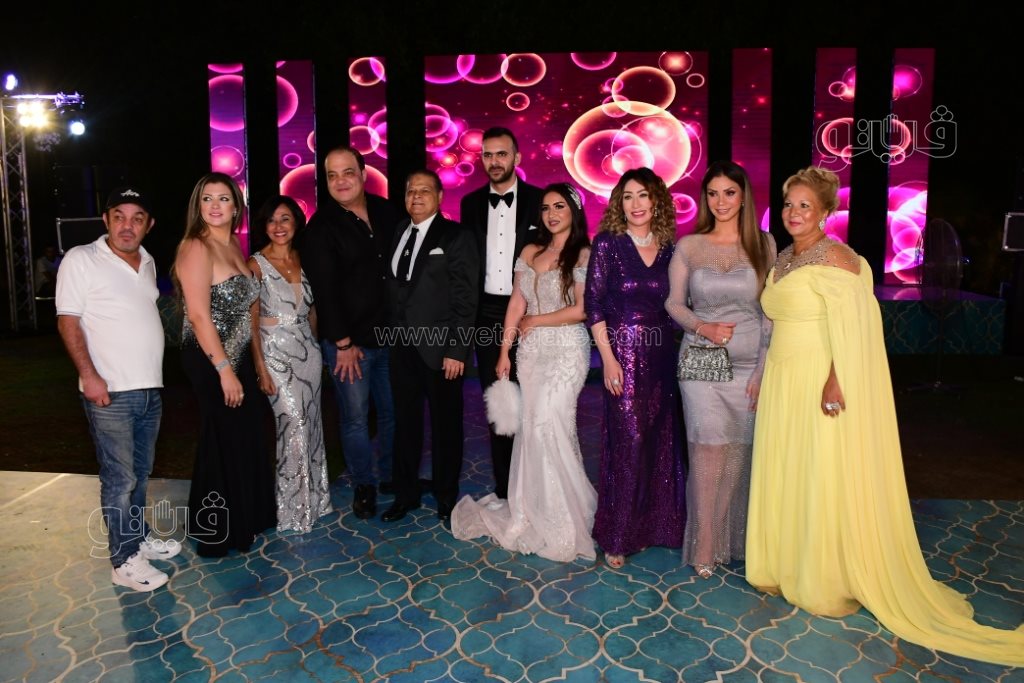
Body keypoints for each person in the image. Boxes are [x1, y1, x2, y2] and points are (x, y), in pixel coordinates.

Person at [746, 167, 1024, 666]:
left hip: (817, 378)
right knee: (791, 466)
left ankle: (824, 575)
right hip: (784, 380)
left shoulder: (838, 257)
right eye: (788, 204)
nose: (793, 213)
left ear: (825, 212)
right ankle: (785, 561)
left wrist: (837, 379)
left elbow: (856, 328)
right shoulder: (784, 258)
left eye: (805, 205)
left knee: (821, 469)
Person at [452, 183, 596, 562]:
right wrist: (504, 350)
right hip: (529, 354)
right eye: (546, 208)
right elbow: (516, 303)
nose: (552, 214)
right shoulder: (530, 251)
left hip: (566, 350)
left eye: (559, 206)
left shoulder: (583, 253)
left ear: (573, 211)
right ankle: (533, 508)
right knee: (532, 427)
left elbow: (581, 309)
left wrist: (537, 321)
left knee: (552, 423)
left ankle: (565, 515)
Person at [56, 186, 181, 592]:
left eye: (137, 218)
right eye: (119, 216)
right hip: (110, 392)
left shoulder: (147, 261)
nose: (128, 225)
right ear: (106, 219)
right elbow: (68, 321)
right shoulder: (82, 259)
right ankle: (123, 559)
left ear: (149, 225)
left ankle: (137, 538)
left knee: (140, 475)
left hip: (149, 389)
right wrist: (89, 376)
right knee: (119, 479)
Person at [665, 161, 775, 578]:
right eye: (713, 193)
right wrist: (702, 326)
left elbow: (771, 312)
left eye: (729, 192)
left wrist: (763, 370)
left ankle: (732, 540)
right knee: (707, 451)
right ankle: (705, 546)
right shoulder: (691, 245)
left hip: (749, 365)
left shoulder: (764, 244)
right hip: (701, 360)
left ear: (744, 197)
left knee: (738, 453)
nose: (721, 201)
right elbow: (673, 303)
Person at [584, 167, 685, 569]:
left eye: (643, 195)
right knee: (628, 441)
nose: (636, 204)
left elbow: (677, 305)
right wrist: (608, 359)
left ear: (656, 200)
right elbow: (593, 305)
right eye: (627, 196)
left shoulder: (670, 249)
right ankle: (619, 534)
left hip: (662, 358)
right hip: (622, 356)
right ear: (619, 204)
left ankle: (658, 527)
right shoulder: (608, 244)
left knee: (660, 439)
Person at [174, 172, 275, 558]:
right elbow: (199, 315)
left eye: (223, 198)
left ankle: (245, 516)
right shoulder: (195, 247)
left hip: (239, 355)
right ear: (197, 206)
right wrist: (224, 371)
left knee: (245, 434)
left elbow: (247, 309)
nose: (215, 206)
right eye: (207, 199)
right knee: (223, 437)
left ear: (236, 207)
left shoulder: (233, 243)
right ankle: (217, 532)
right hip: (209, 358)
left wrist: (252, 364)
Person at [300, 145, 401, 520]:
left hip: (390, 338)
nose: (340, 181)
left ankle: (390, 477)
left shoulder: (387, 212)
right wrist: (342, 343)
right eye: (332, 175)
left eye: (347, 172)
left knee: (393, 412)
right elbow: (324, 291)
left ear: (363, 173)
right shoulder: (321, 226)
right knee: (356, 418)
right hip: (349, 344)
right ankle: (364, 485)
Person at [382, 170, 479, 524]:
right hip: (401, 348)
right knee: (405, 424)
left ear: (439, 196)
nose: (416, 196)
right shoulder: (399, 231)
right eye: (411, 191)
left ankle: (445, 496)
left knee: (445, 426)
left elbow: (466, 298)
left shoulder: (456, 235)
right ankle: (406, 494)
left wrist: (457, 350)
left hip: (441, 349)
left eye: (424, 191)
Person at [459, 127, 542, 500]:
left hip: (531, 311)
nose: (494, 161)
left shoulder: (541, 200)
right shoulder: (470, 204)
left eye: (501, 154)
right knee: (500, 400)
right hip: (487, 313)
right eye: (487, 155)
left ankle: (535, 485)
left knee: (537, 399)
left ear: (517, 158)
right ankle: (507, 488)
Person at [248, 195, 332, 534]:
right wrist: (260, 368)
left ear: (296, 222)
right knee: (292, 425)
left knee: (312, 426)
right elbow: (251, 321)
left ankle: (317, 500)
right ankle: (292, 511)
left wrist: (317, 350)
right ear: (264, 226)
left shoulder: (304, 257)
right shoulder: (255, 264)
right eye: (272, 220)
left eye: (285, 219)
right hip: (274, 355)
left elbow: (313, 312)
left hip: (308, 353)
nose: (278, 226)